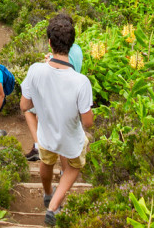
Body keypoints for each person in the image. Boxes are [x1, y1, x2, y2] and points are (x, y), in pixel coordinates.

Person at [19, 14, 93, 226]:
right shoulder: (81, 82)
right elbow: (87, 122)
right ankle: (53, 207)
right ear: (72, 45)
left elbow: (25, 106)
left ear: (49, 42)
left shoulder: (35, 71)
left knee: (46, 161)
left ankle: (47, 193)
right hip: (70, 140)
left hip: (45, 136)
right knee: (73, 167)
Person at [24, 14, 82, 162]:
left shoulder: (64, 54)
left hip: (58, 94)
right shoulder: (77, 50)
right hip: (70, 96)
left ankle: (39, 146)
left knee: (30, 111)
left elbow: (61, 72)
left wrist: (50, 63)